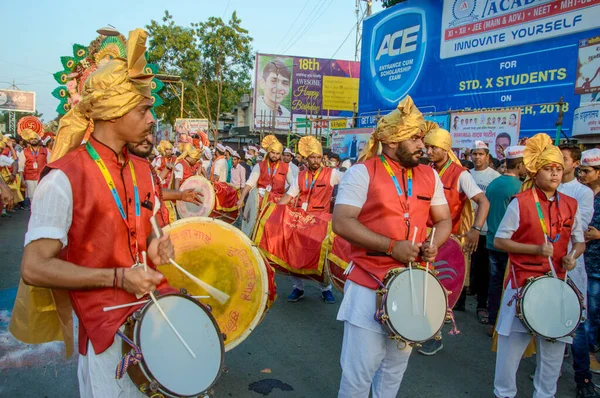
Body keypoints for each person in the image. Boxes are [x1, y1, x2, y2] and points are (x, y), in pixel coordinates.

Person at [14, 28, 176, 397]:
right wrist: (119, 277)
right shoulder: (63, 178)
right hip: (106, 329)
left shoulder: (143, 170)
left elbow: (141, 243)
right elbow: (34, 267)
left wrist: (155, 251)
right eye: (143, 109)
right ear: (113, 112)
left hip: (152, 314)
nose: (152, 120)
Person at [333, 96, 452, 397]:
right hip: (367, 284)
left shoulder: (430, 176)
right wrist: (391, 246)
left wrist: (432, 243)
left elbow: (444, 221)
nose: (421, 145)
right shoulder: (362, 172)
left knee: (393, 372)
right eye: (413, 138)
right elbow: (342, 222)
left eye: (421, 138)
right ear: (390, 141)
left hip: (412, 284)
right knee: (358, 373)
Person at [492, 133, 585, 398]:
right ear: (535, 171)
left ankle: (545, 395)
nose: (555, 174)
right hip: (522, 283)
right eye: (548, 169)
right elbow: (500, 241)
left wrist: (574, 255)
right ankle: (503, 393)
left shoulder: (571, 204)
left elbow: (579, 242)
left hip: (558, 286)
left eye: (558, 169)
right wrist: (534, 249)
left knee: (553, 353)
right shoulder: (521, 202)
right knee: (511, 352)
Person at [420, 124, 490, 356]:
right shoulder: (425, 170)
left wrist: (476, 229)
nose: (428, 151)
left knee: (440, 289)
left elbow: (483, 202)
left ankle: (434, 335)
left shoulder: (461, 174)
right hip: (422, 238)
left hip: (448, 242)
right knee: (422, 287)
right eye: (427, 146)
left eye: (433, 148)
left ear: (446, 149)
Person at [278, 136, 343, 304]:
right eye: (313, 157)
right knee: (293, 251)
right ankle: (297, 287)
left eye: (319, 158)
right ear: (307, 158)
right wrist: (275, 210)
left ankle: (325, 289)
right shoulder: (300, 176)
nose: (316, 161)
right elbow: (288, 195)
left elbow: (350, 182)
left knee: (321, 256)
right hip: (301, 219)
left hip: (321, 222)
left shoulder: (332, 174)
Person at [555, 144, 598, 397]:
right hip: (547, 265)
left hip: (572, 262)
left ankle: (583, 378)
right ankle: (552, 367)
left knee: (577, 323)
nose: (556, 165)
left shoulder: (582, 193)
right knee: (550, 316)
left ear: (574, 164)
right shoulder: (546, 189)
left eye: (562, 160)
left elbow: (577, 230)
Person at [485, 146, 527, 337]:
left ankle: (492, 321)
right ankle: (505, 324)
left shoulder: (493, 184)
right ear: (520, 165)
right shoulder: (521, 188)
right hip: (511, 245)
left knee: (494, 283)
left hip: (492, 240)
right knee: (509, 285)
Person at [466, 140, 500, 323]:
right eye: (475, 153)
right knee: (463, 267)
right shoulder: (466, 175)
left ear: (487, 156)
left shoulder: (494, 177)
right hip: (465, 228)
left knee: (482, 270)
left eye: (481, 154)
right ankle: (458, 302)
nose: (477, 157)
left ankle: (481, 305)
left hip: (484, 230)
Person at [580, 149, 600, 382]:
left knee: (592, 311)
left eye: (586, 171)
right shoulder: (579, 193)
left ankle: (591, 351)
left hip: (596, 263)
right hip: (579, 260)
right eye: (581, 171)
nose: (582, 175)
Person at [237, 135, 294, 207]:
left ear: (280, 155)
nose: (275, 156)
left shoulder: (286, 167)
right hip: (261, 200)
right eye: (273, 153)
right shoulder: (259, 166)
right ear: (269, 152)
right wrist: (241, 199)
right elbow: (249, 183)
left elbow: (293, 184)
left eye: (277, 154)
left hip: (278, 201)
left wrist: (284, 193)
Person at [255, 59, 291, 125]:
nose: (279, 88)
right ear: (262, 83)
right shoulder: (256, 110)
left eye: (285, 83)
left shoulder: (287, 114)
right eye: (273, 81)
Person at [19, 128, 49, 202]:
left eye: (35, 138)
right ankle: (33, 213)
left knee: (43, 197)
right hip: (29, 178)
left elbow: (50, 163)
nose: (34, 140)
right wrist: (22, 180)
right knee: (32, 198)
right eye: (32, 139)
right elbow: (21, 166)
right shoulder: (24, 152)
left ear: (38, 140)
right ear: (29, 141)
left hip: (43, 177)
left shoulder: (46, 150)